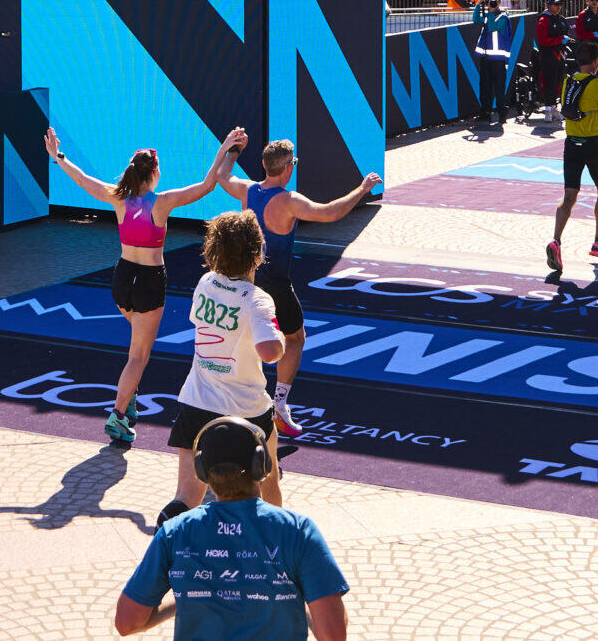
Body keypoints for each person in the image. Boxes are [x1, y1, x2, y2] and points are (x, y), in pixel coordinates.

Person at [46, 124, 248, 445]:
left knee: (136, 345)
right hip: (149, 282)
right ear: (153, 173)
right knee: (138, 356)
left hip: (122, 279)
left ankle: (128, 399)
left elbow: (83, 180)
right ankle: (118, 414)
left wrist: (58, 156)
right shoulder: (162, 202)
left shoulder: (118, 197)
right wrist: (225, 148)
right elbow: (208, 185)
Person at [115, 412, 349, 640]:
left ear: (201, 470)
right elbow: (332, 635)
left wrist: (191, 596)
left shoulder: (174, 532)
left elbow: (127, 622)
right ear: (262, 464)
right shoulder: (298, 531)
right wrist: (297, 598)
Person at [221, 140, 379, 440]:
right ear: (288, 168)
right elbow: (330, 213)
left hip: (247, 281)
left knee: (249, 341)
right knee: (294, 338)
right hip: (275, 284)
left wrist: (234, 150)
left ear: (264, 165)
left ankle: (239, 400)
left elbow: (223, 176)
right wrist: (362, 189)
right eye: (294, 163)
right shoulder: (289, 200)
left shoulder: (247, 190)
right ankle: (278, 405)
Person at [158, 208, 288, 524]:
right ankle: (274, 539)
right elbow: (270, 352)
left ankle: (166, 544)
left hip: (197, 402)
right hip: (246, 410)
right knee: (268, 479)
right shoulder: (258, 299)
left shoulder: (205, 282)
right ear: (258, 254)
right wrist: (282, 338)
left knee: (186, 497)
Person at [546, 44, 598, 273]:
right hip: (593, 144)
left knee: (569, 196)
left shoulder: (568, 82)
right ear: (596, 62)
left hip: (571, 144)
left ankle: (556, 240)